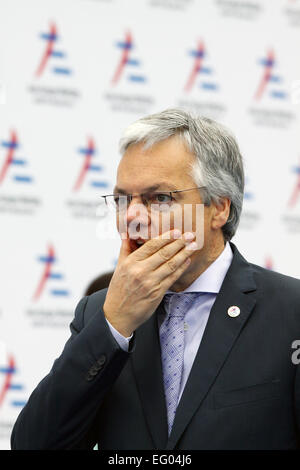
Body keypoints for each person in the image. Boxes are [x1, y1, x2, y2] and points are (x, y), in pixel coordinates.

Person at [11, 108, 300, 450]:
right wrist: (114, 325)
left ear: (219, 208)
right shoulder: (98, 312)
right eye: (123, 199)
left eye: (159, 198)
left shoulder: (290, 311)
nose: (132, 215)